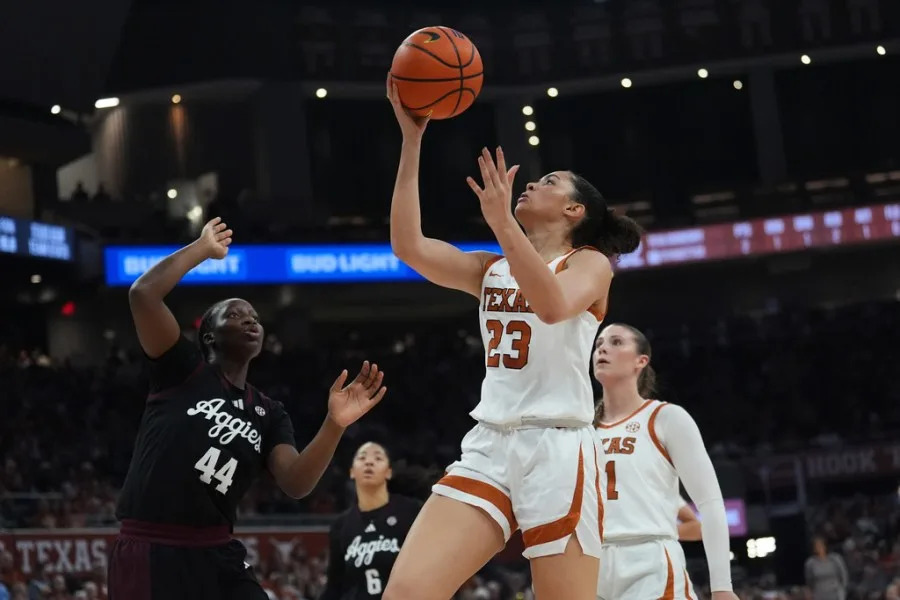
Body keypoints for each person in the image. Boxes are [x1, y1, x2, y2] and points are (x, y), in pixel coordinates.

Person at [383, 76, 642, 600]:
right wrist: (412, 140)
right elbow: (407, 245)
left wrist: (503, 223)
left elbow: (550, 305)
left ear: (575, 211)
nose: (531, 184)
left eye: (548, 181)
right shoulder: (491, 268)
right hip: (490, 443)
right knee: (406, 593)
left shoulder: (589, 264)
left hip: (559, 446)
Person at [108, 218, 388, 600]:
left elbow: (296, 484)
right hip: (153, 544)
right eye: (236, 315)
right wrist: (202, 249)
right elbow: (143, 295)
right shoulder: (182, 370)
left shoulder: (270, 412)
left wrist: (334, 424)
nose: (251, 320)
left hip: (216, 548)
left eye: (255, 317)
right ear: (210, 334)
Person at [592, 323, 736, 600]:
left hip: (649, 561)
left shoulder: (666, 418)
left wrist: (722, 587)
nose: (603, 348)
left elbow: (710, 503)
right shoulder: (582, 428)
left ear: (640, 361)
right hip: (592, 564)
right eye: (599, 344)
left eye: (616, 342)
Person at [320, 442, 422, 599]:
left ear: (388, 472)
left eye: (378, 458)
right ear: (352, 472)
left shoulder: (411, 511)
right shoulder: (341, 525)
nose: (369, 462)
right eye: (362, 457)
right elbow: (334, 585)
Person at [804, 536, 848, 600]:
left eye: (820, 545)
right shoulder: (810, 563)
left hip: (835, 592)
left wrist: (842, 590)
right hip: (819, 594)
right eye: (816, 546)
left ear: (825, 546)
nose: (818, 547)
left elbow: (843, 575)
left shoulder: (835, 558)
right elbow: (809, 580)